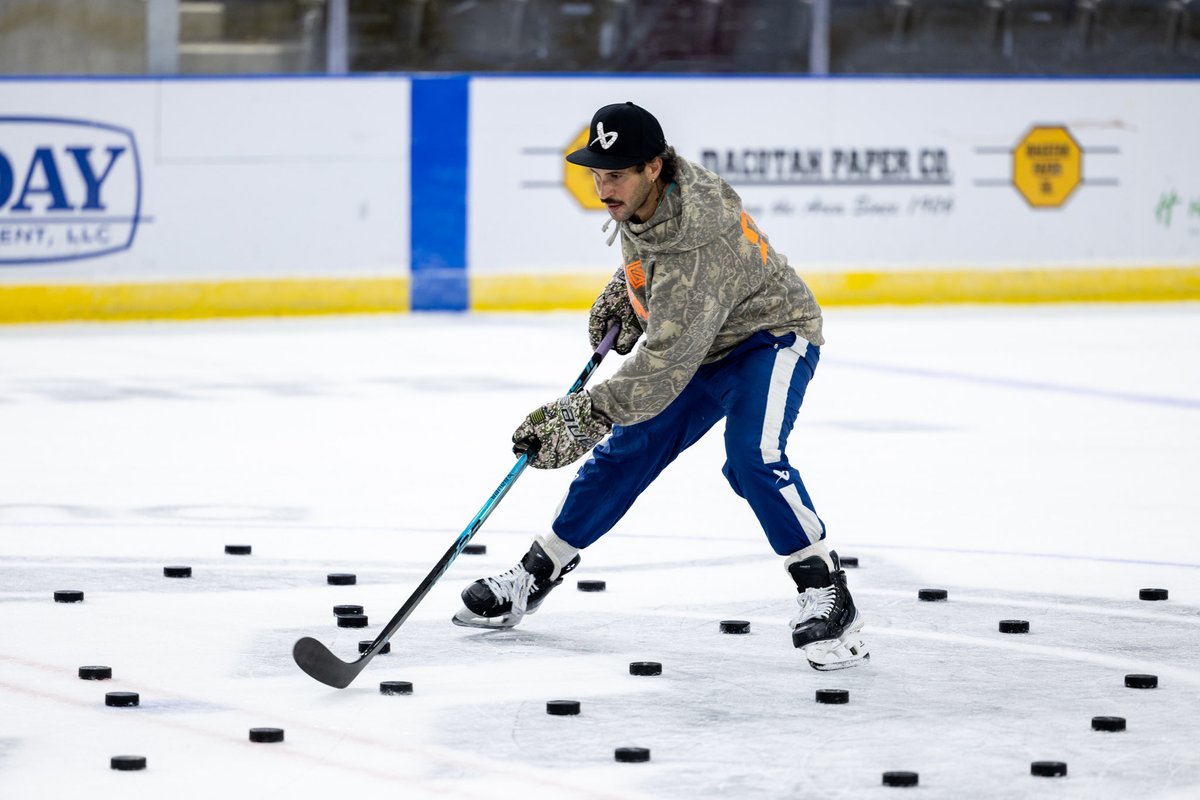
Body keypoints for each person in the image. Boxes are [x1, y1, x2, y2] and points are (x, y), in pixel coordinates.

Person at [452, 101, 868, 670]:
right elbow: (663, 274)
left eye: (615, 174)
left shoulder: (697, 235)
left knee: (751, 457)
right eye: (597, 173)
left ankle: (826, 591)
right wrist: (634, 291)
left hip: (769, 336)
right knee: (628, 452)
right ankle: (537, 571)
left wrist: (587, 412)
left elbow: (669, 356)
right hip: (701, 338)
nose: (603, 188)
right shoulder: (652, 197)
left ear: (653, 166)